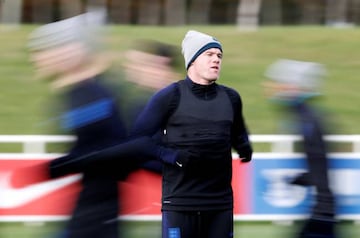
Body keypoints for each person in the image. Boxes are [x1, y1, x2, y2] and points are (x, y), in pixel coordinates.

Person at [14, 30, 253, 238]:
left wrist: (58, 168)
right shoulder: (142, 105)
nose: (131, 70)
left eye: (139, 64)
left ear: (160, 65)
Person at [20, 12, 135, 238]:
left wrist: (48, 170)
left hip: (98, 215)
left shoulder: (93, 96)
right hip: (93, 210)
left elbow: (103, 151)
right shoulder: (83, 93)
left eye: (43, 51)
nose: (37, 58)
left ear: (70, 52)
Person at [264, 59, 338, 238]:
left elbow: (319, 168)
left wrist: (294, 179)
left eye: (279, 83)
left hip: (321, 212)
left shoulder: (307, 120)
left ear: (293, 87)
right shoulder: (306, 117)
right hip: (322, 211)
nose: (273, 88)